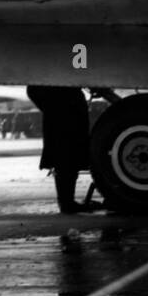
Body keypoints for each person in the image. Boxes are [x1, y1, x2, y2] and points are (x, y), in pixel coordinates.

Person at [25, 84, 93, 213]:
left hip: (65, 116)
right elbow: (81, 64)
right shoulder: (73, 67)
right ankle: (67, 203)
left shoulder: (57, 77)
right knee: (66, 161)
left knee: (68, 161)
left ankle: (67, 202)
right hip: (64, 118)